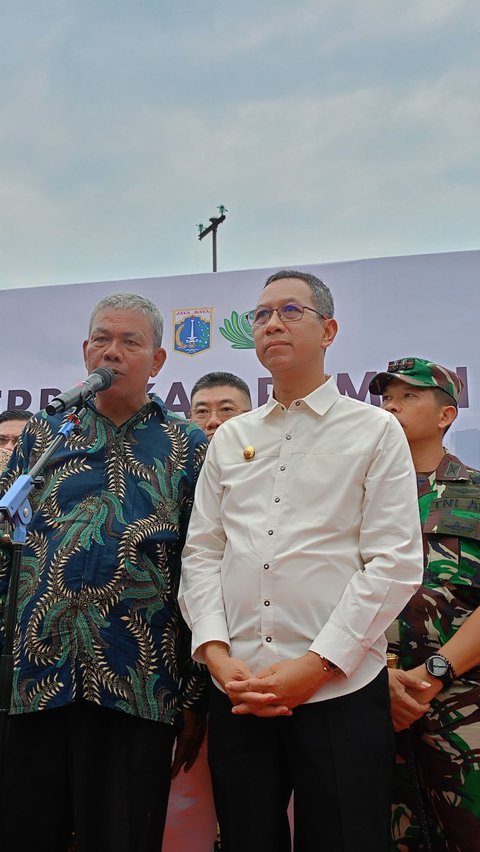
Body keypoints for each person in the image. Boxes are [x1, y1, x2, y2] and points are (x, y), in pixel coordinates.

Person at [179, 269, 424, 852]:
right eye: (262, 315)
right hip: (239, 689)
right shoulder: (228, 438)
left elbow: (392, 563)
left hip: (338, 691)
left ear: (329, 329)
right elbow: (203, 553)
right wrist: (216, 654)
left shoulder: (374, 431)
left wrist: (315, 667)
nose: (271, 323)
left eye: (289, 311)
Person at [0, 293, 208, 852]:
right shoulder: (43, 438)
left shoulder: (188, 447)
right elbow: (5, 550)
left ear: (158, 361)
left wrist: (193, 694)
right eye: (101, 340)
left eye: (129, 342)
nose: (111, 353)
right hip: (35, 681)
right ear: (84, 349)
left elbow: (204, 570)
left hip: (138, 683)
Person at [369, 357, 480, 850]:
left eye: (409, 397)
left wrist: (434, 672)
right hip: (370, 696)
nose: (391, 406)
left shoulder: (475, 492)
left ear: (446, 415)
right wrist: (382, 680)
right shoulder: (355, 495)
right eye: (386, 398)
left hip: (461, 705)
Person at [163, 371, 252, 852]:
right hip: (173, 671)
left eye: (227, 410)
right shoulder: (162, 477)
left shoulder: (262, 481)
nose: (212, 422)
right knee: (184, 810)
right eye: (201, 411)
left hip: (250, 669)